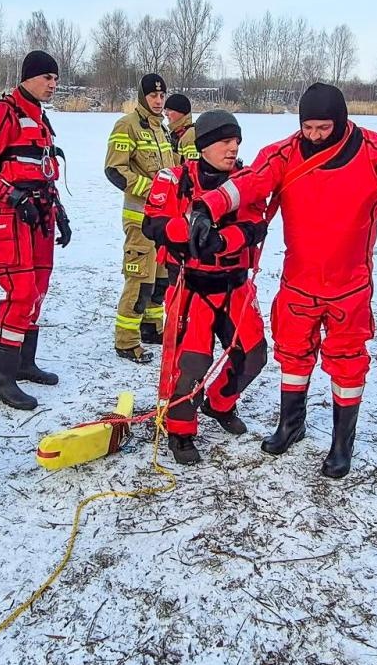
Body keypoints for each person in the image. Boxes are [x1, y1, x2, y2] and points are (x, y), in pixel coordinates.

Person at [187, 82, 377, 478]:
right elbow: (250, 182)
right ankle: (291, 424)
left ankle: (342, 443)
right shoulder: (284, 153)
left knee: (347, 365)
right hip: (298, 283)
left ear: (341, 122)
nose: (313, 136)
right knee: (292, 355)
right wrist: (205, 208)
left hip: (350, 288)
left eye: (323, 128)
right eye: (307, 128)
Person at [142, 111, 269, 465]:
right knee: (191, 362)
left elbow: (255, 226)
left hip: (235, 285)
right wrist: (188, 233)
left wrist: (219, 240)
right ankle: (181, 431)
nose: (233, 149)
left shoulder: (246, 181)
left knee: (254, 355)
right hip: (190, 285)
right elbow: (154, 225)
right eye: (225, 142)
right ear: (203, 146)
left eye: (237, 142)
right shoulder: (173, 179)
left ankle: (219, 403)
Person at [0, 50, 71, 410]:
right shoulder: (0, 113)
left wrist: (61, 213)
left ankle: (24, 363)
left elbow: (45, 172)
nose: (52, 84)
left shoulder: (39, 118)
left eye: (55, 78)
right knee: (21, 292)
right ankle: (3, 378)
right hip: (9, 218)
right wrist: (12, 196)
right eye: (46, 78)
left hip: (39, 217)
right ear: (27, 77)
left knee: (38, 290)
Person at [105, 73, 177, 363]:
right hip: (139, 219)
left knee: (160, 281)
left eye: (162, 96)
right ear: (142, 97)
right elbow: (115, 170)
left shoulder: (163, 130)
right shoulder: (127, 125)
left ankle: (150, 328)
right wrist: (152, 190)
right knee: (139, 281)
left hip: (164, 220)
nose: (158, 101)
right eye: (152, 96)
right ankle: (126, 341)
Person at [165, 93, 199, 161]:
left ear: (181, 112)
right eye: (165, 110)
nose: (166, 114)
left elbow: (193, 167)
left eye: (170, 110)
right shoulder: (174, 133)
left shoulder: (190, 135)